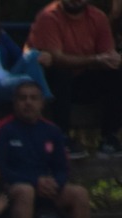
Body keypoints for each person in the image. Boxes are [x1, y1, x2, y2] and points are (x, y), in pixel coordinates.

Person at [0, 81, 93, 218]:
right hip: (14, 189)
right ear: (15, 103)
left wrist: (56, 183)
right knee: (25, 191)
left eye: (33, 98)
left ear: (41, 103)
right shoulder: (4, 129)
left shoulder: (52, 130)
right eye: (23, 98)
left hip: (46, 189)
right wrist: (34, 182)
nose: (28, 103)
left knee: (79, 193)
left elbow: (62, 168)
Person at [29, 0, 122, 157]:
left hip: (83, 81)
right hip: (53, 84)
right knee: (59, 72)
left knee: (115, 73)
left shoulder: (98, 17)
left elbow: (107, 56)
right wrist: (95, 59)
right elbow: (56, 57)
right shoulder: (49, 16)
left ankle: (109, 137)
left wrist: (112, 60)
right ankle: (62, 136)